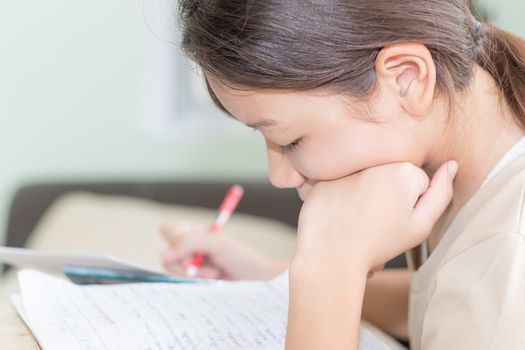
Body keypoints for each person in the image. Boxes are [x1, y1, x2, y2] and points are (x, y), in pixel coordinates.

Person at [161, 1, 525, 349]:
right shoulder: (478, 167)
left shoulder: (510, 250)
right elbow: (447, 303)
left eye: (290, 140)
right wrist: (270, 275)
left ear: (406, 79)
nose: (280, 176)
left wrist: (330, 266)